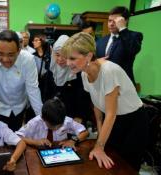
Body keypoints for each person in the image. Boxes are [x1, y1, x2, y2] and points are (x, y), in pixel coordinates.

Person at [61, 32, 149, 171]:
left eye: (72, 58)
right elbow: (97, 107)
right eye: (67, 58)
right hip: (114, 121)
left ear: (89, 56)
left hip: (133, 123)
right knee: (108, 164)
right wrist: (100, 138)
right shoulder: (84, 73)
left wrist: (99, 146)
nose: (68, 63)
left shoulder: (108, 71)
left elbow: (110, 114)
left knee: (126, 168)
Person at [0, 30, 42, 131]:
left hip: (19, 107)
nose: (5, 59)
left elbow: (33, 89)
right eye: (1, 54)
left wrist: (41, 118)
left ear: (19, 50)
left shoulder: (28, 59)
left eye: (11, 55)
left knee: (15, 136)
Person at [50, 35, 92, 123]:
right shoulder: (51, 72)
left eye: (64, 55)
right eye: (57, 55)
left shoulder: (79, 72)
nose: (60, 59)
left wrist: (80, 116)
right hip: (54, 117)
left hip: (74, 118)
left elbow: (84, 97)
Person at [96, 6, 143, 85]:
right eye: (109, 21)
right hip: (103, 84)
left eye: (115, 21)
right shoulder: (100, 41)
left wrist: (123, 29)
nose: (111, 24)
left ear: (126, 21)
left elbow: (132, 50)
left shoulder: (134, 36)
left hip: (124, 85)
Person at [16, 98, 89, 149]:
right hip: (37, 153)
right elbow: (17, 136)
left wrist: (73, 140)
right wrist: (35, 142)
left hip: (60, 151)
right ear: (44, 119)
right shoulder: (35, 122)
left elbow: (85, 132)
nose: (57, 128)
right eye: (53, 126)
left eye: (60, 125)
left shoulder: (66, 120)